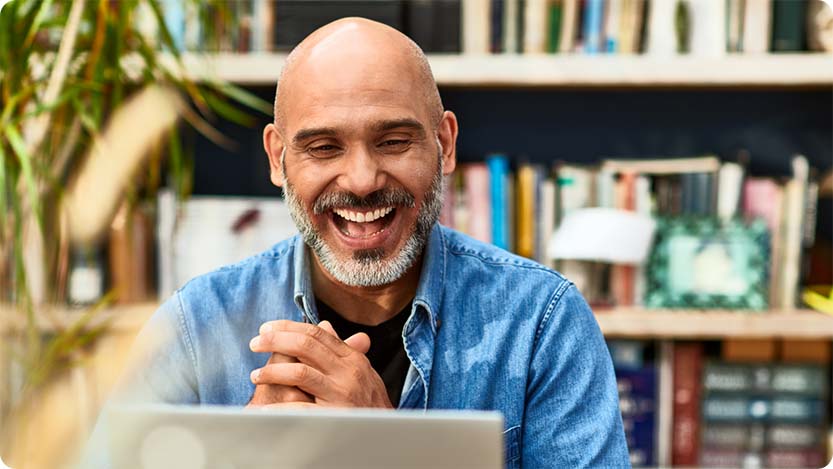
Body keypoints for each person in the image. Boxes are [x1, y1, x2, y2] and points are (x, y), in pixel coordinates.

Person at [91, 17, 630, 468]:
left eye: (393, 142)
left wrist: (387, 449)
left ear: (444, 144)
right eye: (323, 147)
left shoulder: (541, 322)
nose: (362, 179)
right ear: (279, 159)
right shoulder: (194, 326)